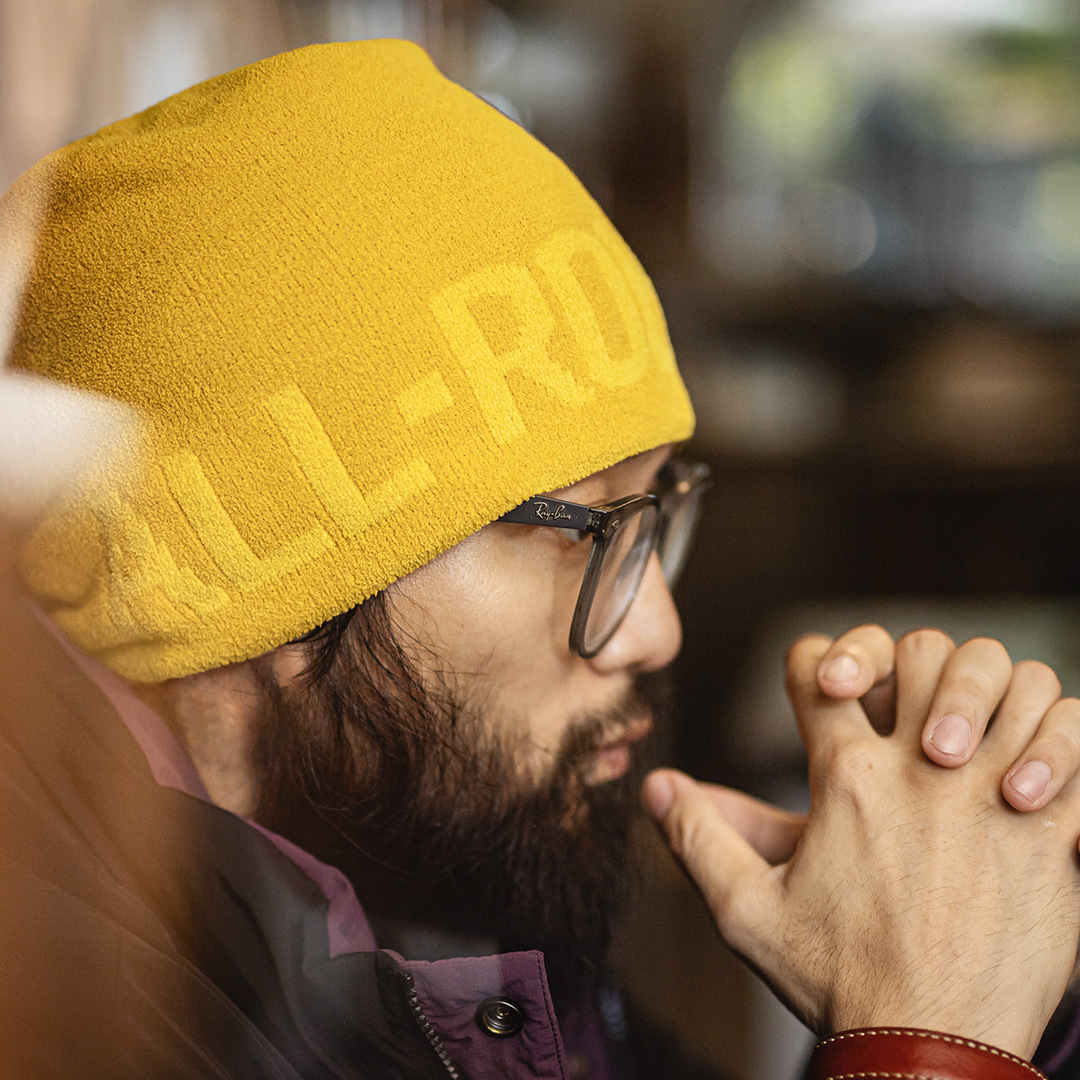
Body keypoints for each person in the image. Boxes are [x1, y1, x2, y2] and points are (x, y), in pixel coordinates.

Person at [1, 37, 1078, 1080]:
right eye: (584, 528)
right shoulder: (71, 1024)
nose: (658, 627)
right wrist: (928, 1048)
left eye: (657, 509)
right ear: (252, 580)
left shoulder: (424, 867)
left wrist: (998, 950)